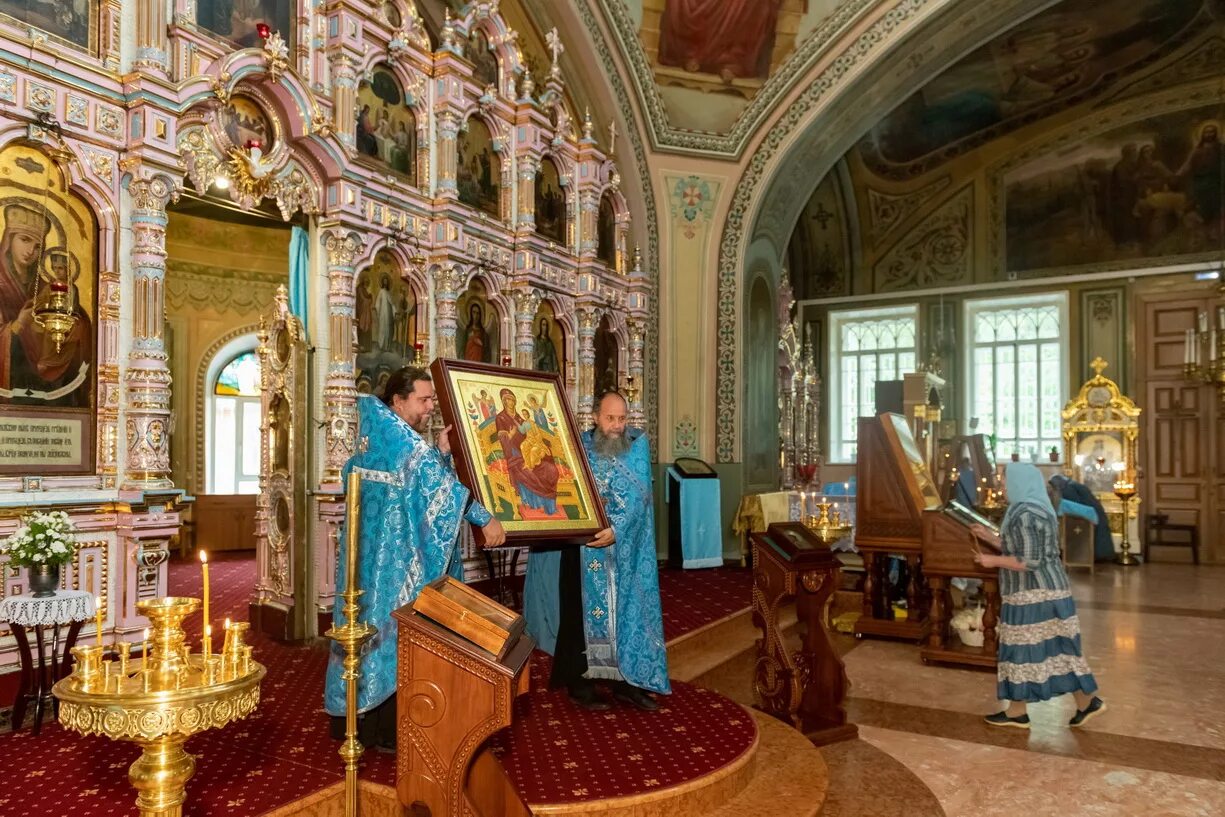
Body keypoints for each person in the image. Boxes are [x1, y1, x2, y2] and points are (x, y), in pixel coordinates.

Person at [325, 366, 506, 750]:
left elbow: (415, 486)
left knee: (367, 627)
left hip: (371, 558)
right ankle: (390, 729)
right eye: (423, 400)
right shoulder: (409, 446)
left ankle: (361, 723)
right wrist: (485, 518)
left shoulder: (376, 434)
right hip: (395, 560)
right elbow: (442, 490)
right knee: (395, 631)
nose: (429, 408)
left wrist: (439, 452)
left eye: (431, 400)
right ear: (398, 400)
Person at [523, 391, 669, 712]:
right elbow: (563, 488)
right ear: (595, 417)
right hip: (583, 548)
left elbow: (640, 495)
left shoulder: (637, 444)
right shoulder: (579, 447)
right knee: (579, 613)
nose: (617, 426)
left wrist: (615, 529)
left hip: (625, 547)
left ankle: (627, 683)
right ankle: (581, 683)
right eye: (610, 418)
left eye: (621, 419)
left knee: (628, 613)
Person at [971, 462, 1105, 729]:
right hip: (1038, 593)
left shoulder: (1026, 513)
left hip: (1036, 595)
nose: (1003, 486)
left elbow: (1029, 561)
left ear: (1021, 483)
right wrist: (988, 537)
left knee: (1033, 651)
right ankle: (1025, 709)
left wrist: (991, 561)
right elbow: (1019, 547)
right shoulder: (1031, 507)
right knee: (1052, 651)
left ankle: (1024, 710)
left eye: (1006, 482)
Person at [494, 388, 560, 515]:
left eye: (512, 400)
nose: (511, 403)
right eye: (508, 400)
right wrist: (510, 434)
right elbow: (502, 439)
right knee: (527, 471)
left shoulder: (520, 418)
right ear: (503, 402)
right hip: (514, 453)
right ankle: (534, 504)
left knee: (550, 469)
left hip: (528, 450)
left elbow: (529, 433)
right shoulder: (500, 418)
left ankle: (548, 505)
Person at [1049, 474, 1115, 562]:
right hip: (1094, 511)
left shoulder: (1067, 489)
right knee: (1100, 533)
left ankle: (1099, 557)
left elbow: (1075, 505)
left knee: (1097, 536)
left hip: (1088, 515)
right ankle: (1102, 556)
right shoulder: (1072, 484)